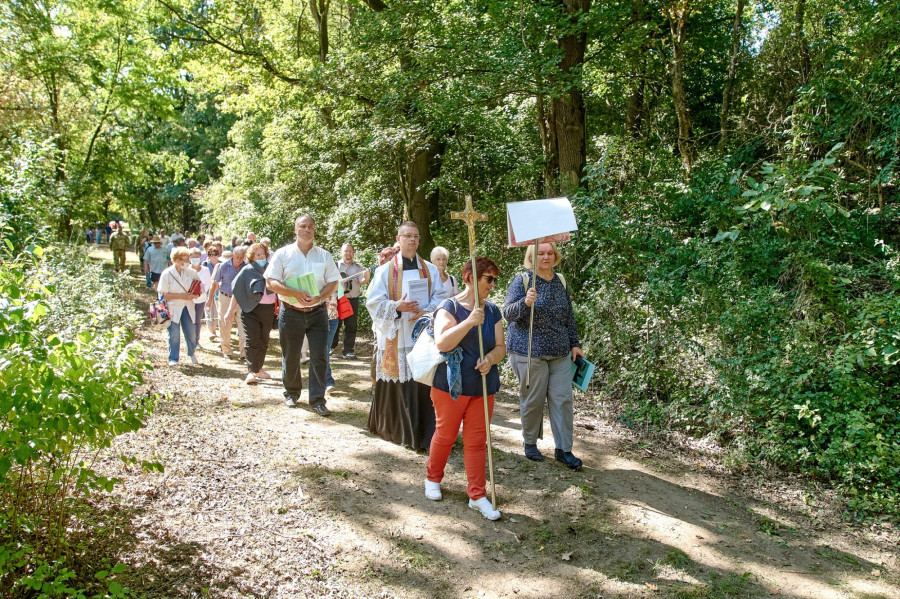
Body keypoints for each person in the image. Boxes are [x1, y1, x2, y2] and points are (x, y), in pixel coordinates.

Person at [426, 257, 505, 521]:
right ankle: (433, 478)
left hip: (483, 386)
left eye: (495, 279)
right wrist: (469, 321)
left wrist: (490, 359)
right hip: (452, 386)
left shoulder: (492, 311)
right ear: (470, 277)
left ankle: (477, 495)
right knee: (446, 434)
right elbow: (443, 343)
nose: (492, 285)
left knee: (476, 442)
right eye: (488, 279)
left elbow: (501, 347)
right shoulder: (448, 307)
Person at [366, 221, 448, 450]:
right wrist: (397, 307)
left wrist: (426, 310)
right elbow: (373, 302)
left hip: (422, 332)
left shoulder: (431, 270)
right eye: (407, 236)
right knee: (401, 376)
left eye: (415, 236)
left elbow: (442, 298)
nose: (412, 240)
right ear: (399, 238)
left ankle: (424, 433)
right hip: (397, 331)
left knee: (422, 378)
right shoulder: (384, 271)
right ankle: (396, 430)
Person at [503, 242, 583, 470]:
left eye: (550, 253)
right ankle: (530, 443)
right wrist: (525, 303)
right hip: (529, 352)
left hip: (559, 352)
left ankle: (564, 449)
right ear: (532, 256)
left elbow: (569, 316)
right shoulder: (523, 281)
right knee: (533, 399)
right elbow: (507, 314)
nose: (546, 257)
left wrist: (574, 343)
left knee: (563, 400)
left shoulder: (561, 281)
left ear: (555, 256)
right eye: (541, 253)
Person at [264, 215, 340, 415]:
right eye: (303, 226)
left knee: (320, 356)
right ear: (295, 229)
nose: (307, 230)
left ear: (315, 229)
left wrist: (320, 297)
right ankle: (291, 393)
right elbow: (270, 282)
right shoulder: (283, 254)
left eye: (311, 227)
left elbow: (334, 282)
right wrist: (295, 293)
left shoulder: (324, 256)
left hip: (318, 313)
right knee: (291, 356)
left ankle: (317, 400)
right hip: (291, 312)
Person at [234, 243, 277, 385]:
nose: (261, 257)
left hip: (268, 309)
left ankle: (259, 368)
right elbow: (237, 288)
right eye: (258, 255)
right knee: (252, 340)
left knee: (263, 340)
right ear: (252, 257)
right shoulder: (247, 270)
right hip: (250, 310)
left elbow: (279, 287)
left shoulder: (271, 269)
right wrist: (229, 312)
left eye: (263, 254)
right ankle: (251, 371)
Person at [157, 247, 201, 366]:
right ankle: (173, 358)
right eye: (185, 260)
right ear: (176, 260)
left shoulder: (191, 272)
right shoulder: (167, 273)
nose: (188, 262)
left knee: (191, 332)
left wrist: (195, 295)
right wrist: (181, 296)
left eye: (188, 260)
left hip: (188, 306)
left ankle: (191, 353)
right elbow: (163, 295)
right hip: (173, 307)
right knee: (174, 334)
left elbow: (199, 288)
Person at [332, 242, 369, 359]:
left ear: (353, 253)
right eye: (345, 251)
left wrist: (366, 277)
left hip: (352, 300)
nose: (348, 253)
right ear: (341, 252)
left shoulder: (358, 267)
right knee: (335, 324)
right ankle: (331, 347)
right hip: (337, 299)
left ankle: (348, 350)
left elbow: (362, 281)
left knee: (351, 326)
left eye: (350, 251)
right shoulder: (335, 265)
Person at [209, 245, 247, 359]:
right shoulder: (224, 266)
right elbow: (215, 282)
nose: (239, 260)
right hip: (226, 297)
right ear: (232, 256)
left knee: (243, 325)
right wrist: (210, 300)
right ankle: (227, 351)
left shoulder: (246, 266)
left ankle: (244, 353)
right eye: (237, 257)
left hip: (241, 299)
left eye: (241, 257)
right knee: (225, 324)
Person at [188, 247, 211, 351]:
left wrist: (198, 294)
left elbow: (207, 284)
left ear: (200, 258)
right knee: (189, 320)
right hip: (188, 299)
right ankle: (189, 339)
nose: (195, 259)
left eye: (197, 257)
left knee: (197, 320)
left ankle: (196, 341)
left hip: (200, 299)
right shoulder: (186, 270)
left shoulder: (205, 270)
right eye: (193, 257)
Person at [202, 244, 221, 340]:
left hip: (219, 290)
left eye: (215, 254)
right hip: (208, 290)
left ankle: (216, 327)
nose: (213, 256)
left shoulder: (222, 264)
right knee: (209, 309)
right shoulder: (205, 264)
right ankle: (211, 330)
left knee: (218, 310)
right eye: (210, 254)